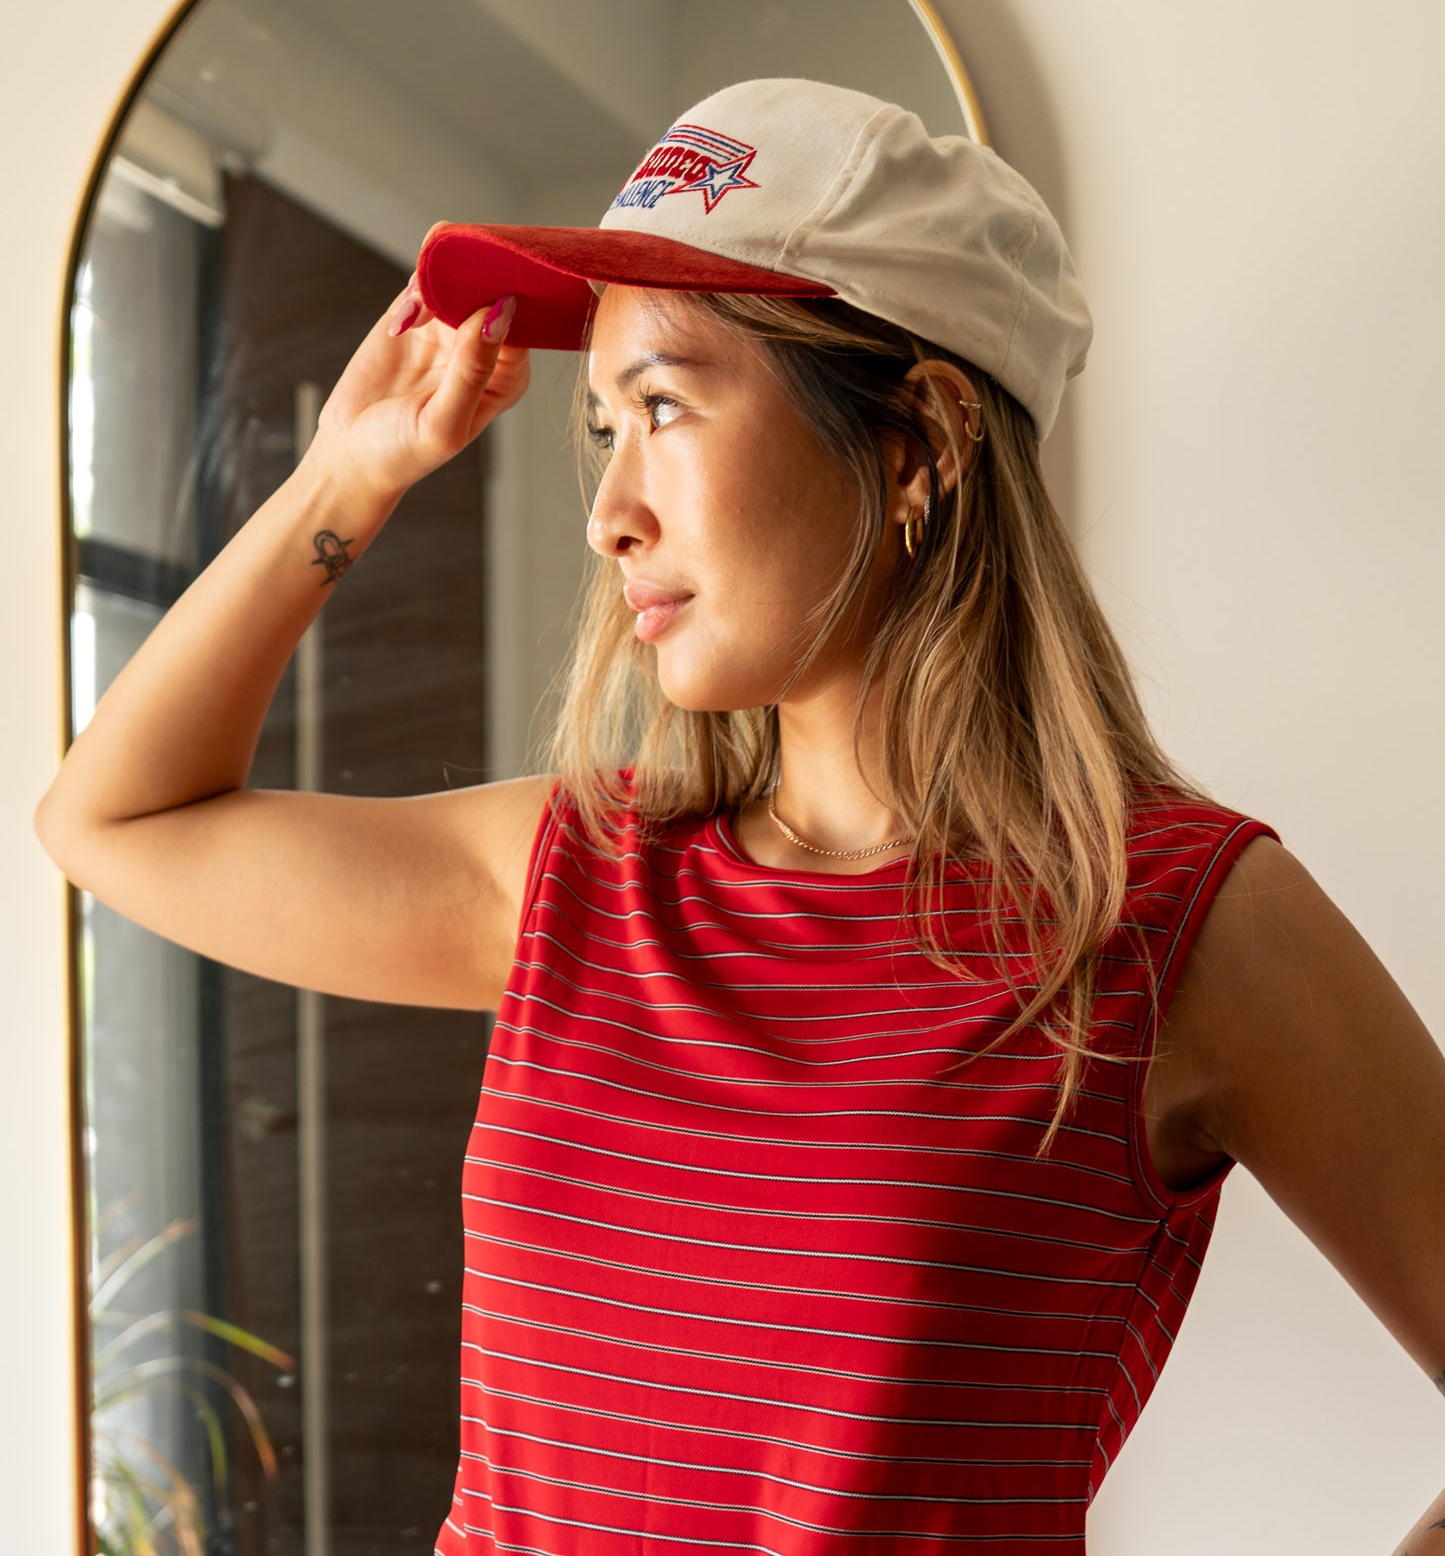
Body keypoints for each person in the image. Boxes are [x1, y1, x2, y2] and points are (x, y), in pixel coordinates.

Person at [36, 78, 1445, 1554]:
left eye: (663, 406)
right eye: (602, 428)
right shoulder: (577, 881)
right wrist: (348, 474)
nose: (609, 513)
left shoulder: (1174, 923)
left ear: (917, 443)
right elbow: (113, 823)